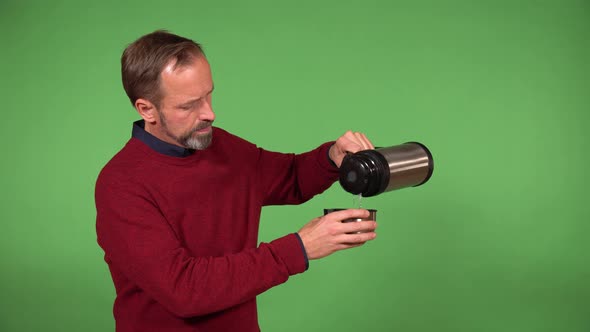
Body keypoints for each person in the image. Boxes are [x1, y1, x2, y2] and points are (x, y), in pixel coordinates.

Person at [95, 30, 378, 332]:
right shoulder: (121, 185)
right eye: (189, 105)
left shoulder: (222, 147)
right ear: (146, 109)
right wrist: (300, 248)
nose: (210, 113)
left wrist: (333, 156)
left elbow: (292, 177)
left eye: (208, 94)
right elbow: (183, 289)